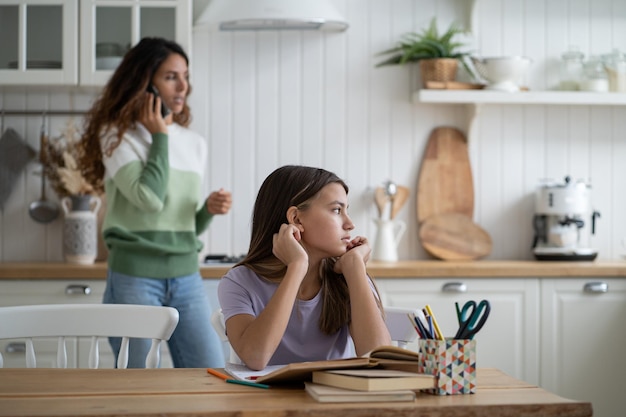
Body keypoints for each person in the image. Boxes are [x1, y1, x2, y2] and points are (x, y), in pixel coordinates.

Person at [78, 37, 231, 368]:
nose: (183, 87)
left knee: (212, 375)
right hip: (134, 278)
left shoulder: (194, 144)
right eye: (171, 76)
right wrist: (159, 135)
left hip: (187, 277)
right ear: (145, 82)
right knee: (138, 384)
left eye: (186, 76)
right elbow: (148, 199)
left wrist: (207, 210)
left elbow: (185, 226)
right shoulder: (116, 136)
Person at [218, 165, 391, 371]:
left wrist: (355, 268)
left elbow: (379, 359)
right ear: (296, 218)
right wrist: (297, 267)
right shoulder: (239, 282)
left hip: (334, 400)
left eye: (347, 210)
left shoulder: (350, 273)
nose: (350, 224)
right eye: (337, 210)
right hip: (264, 401)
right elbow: (256, 357)